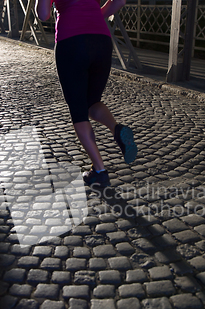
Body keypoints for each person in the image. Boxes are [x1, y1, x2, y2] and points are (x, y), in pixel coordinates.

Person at [36, 0, 137, 188]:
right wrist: (98, 13)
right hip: (101, 40)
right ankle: (117, 130)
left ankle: (99, 171)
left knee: (79, 110)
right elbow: (120, 0)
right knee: (92, 101)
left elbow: (43, 15)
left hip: (71, 40)